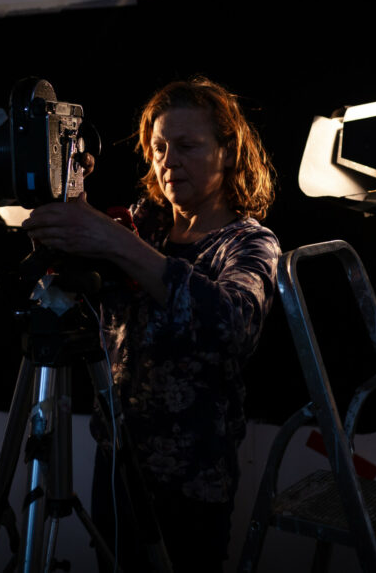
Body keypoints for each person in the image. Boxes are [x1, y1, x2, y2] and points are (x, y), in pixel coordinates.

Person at [22, 76, 280, 572]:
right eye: (159, 148)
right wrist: (74, 215)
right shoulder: (148, 224)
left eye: (187, 146)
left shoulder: (247, 243)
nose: (169, 161)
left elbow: (232, 325)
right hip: (115, 459)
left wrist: (115, 243)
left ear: (227, 153)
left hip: (189, 482)